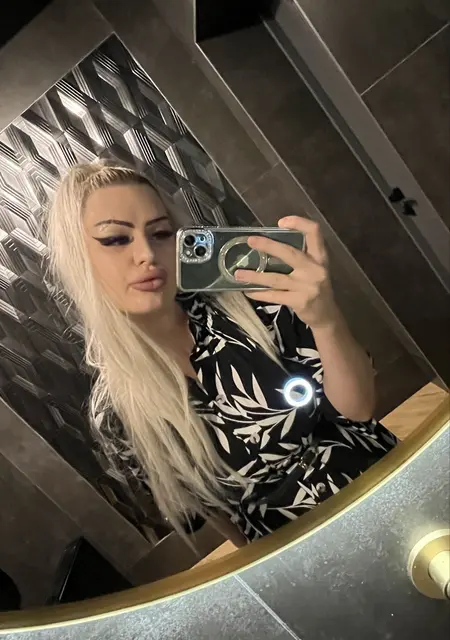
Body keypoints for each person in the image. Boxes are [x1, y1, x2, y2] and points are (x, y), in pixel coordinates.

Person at [47, 160, 397, 546]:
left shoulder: (253, 305)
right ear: (79, 259)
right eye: (116, 239)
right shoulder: (117, 414)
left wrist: (326, 319)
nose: (147, 253)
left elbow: (357, 412)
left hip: (383, 496)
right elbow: (225, 522)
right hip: (298, 561)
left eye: (160, 233)